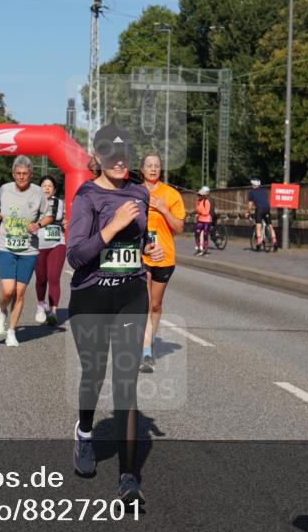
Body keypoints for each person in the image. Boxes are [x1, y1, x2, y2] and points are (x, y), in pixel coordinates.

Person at [66, 124, 165, 506]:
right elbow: (75, 256)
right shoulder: (86, 197)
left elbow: (144, 238)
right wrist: (113, 227)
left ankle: (128, 478)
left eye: (125, 155)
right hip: (91, 298)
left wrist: (151, 251)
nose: (120, 162)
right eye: (112, 156)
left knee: (126, 383)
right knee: (93, 372)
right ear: (100, 158)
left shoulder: (140, 192)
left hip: (130, 295)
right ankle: (86, 433)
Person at [0, 156, 54, 347]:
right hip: (5, 246)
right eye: (18, 174)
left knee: (19, 292)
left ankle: (11, 331)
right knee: (8, 289)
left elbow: (49, 215)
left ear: (31, 175)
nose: (21, 177)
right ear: (13, 174)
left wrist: (39, 224)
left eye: (25, 174)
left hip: (28, 249)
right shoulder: (4, 189)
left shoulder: (37, 193)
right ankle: (1, 311)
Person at [138, 153, 186, 373]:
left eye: (157, 166)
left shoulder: (170, 194)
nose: (153, 169)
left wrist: (164, 210)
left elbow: (179, 228)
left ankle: (150, 340)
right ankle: (146, 352)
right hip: (141, 257)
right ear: (142, 169)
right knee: (146, 305)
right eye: (149, 166)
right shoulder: (135, 192)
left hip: (164, 256)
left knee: (156, 305)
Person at [34, 175, 68, 327]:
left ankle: (53, 312)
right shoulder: (33, 202)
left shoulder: (58, 202)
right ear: (39, 188)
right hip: (38, 245)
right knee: (41, 279)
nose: (47, 188)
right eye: (44, 185)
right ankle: (41, 305)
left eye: (50, 186)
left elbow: (59, 217)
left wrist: (66, 222)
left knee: (54, 277)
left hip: (57, 244)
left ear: (54, 189)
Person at [247, 178, 276, 250]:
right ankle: (274, 240)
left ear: (253, 185)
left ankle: (259, 241)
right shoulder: (264, 191)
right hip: (267, 209)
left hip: (259, 209)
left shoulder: (251, 192)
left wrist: (248, 212)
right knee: (270, 225)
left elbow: (250, 205)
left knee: (258, 225)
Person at [194, 186, 212, 256]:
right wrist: (196, 212)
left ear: (203, 196)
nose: (199, 196)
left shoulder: (206, 201)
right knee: (196, 234)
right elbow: (197, 209)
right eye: (198, 195)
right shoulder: (198, 201)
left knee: (205, 235)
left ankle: (205, 250)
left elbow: (206, 212)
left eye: (200, 195)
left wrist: (199, 212)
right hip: (200, 220)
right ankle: (199, 248)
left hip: (206, 220)